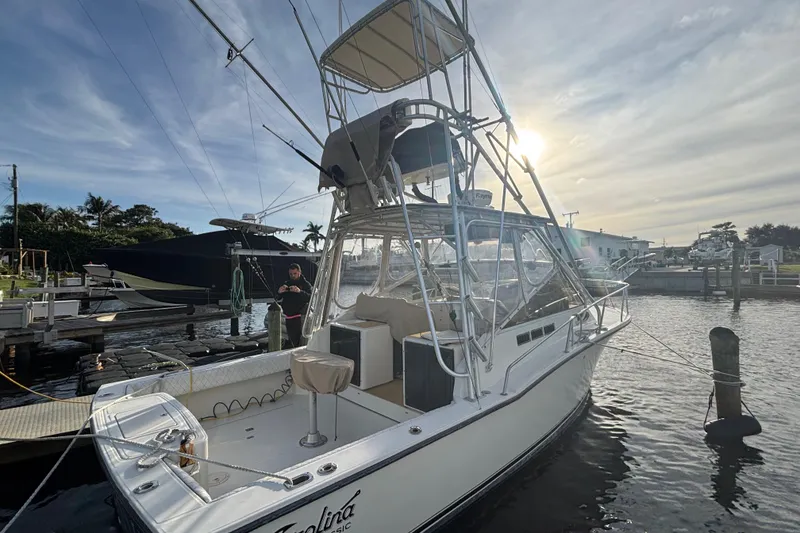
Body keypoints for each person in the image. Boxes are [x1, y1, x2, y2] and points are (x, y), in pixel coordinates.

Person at [277, 263, 312, 348]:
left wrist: (299, 291)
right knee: (291, 339)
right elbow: (278, 298)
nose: (292, 276)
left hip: (300, 316)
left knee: (299, 340)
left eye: (295, 273)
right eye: (291, 274)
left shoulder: (306, 284)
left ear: (299, 272)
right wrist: (279, 292)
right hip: (289, 316)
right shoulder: (287, 283)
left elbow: (310, 298)